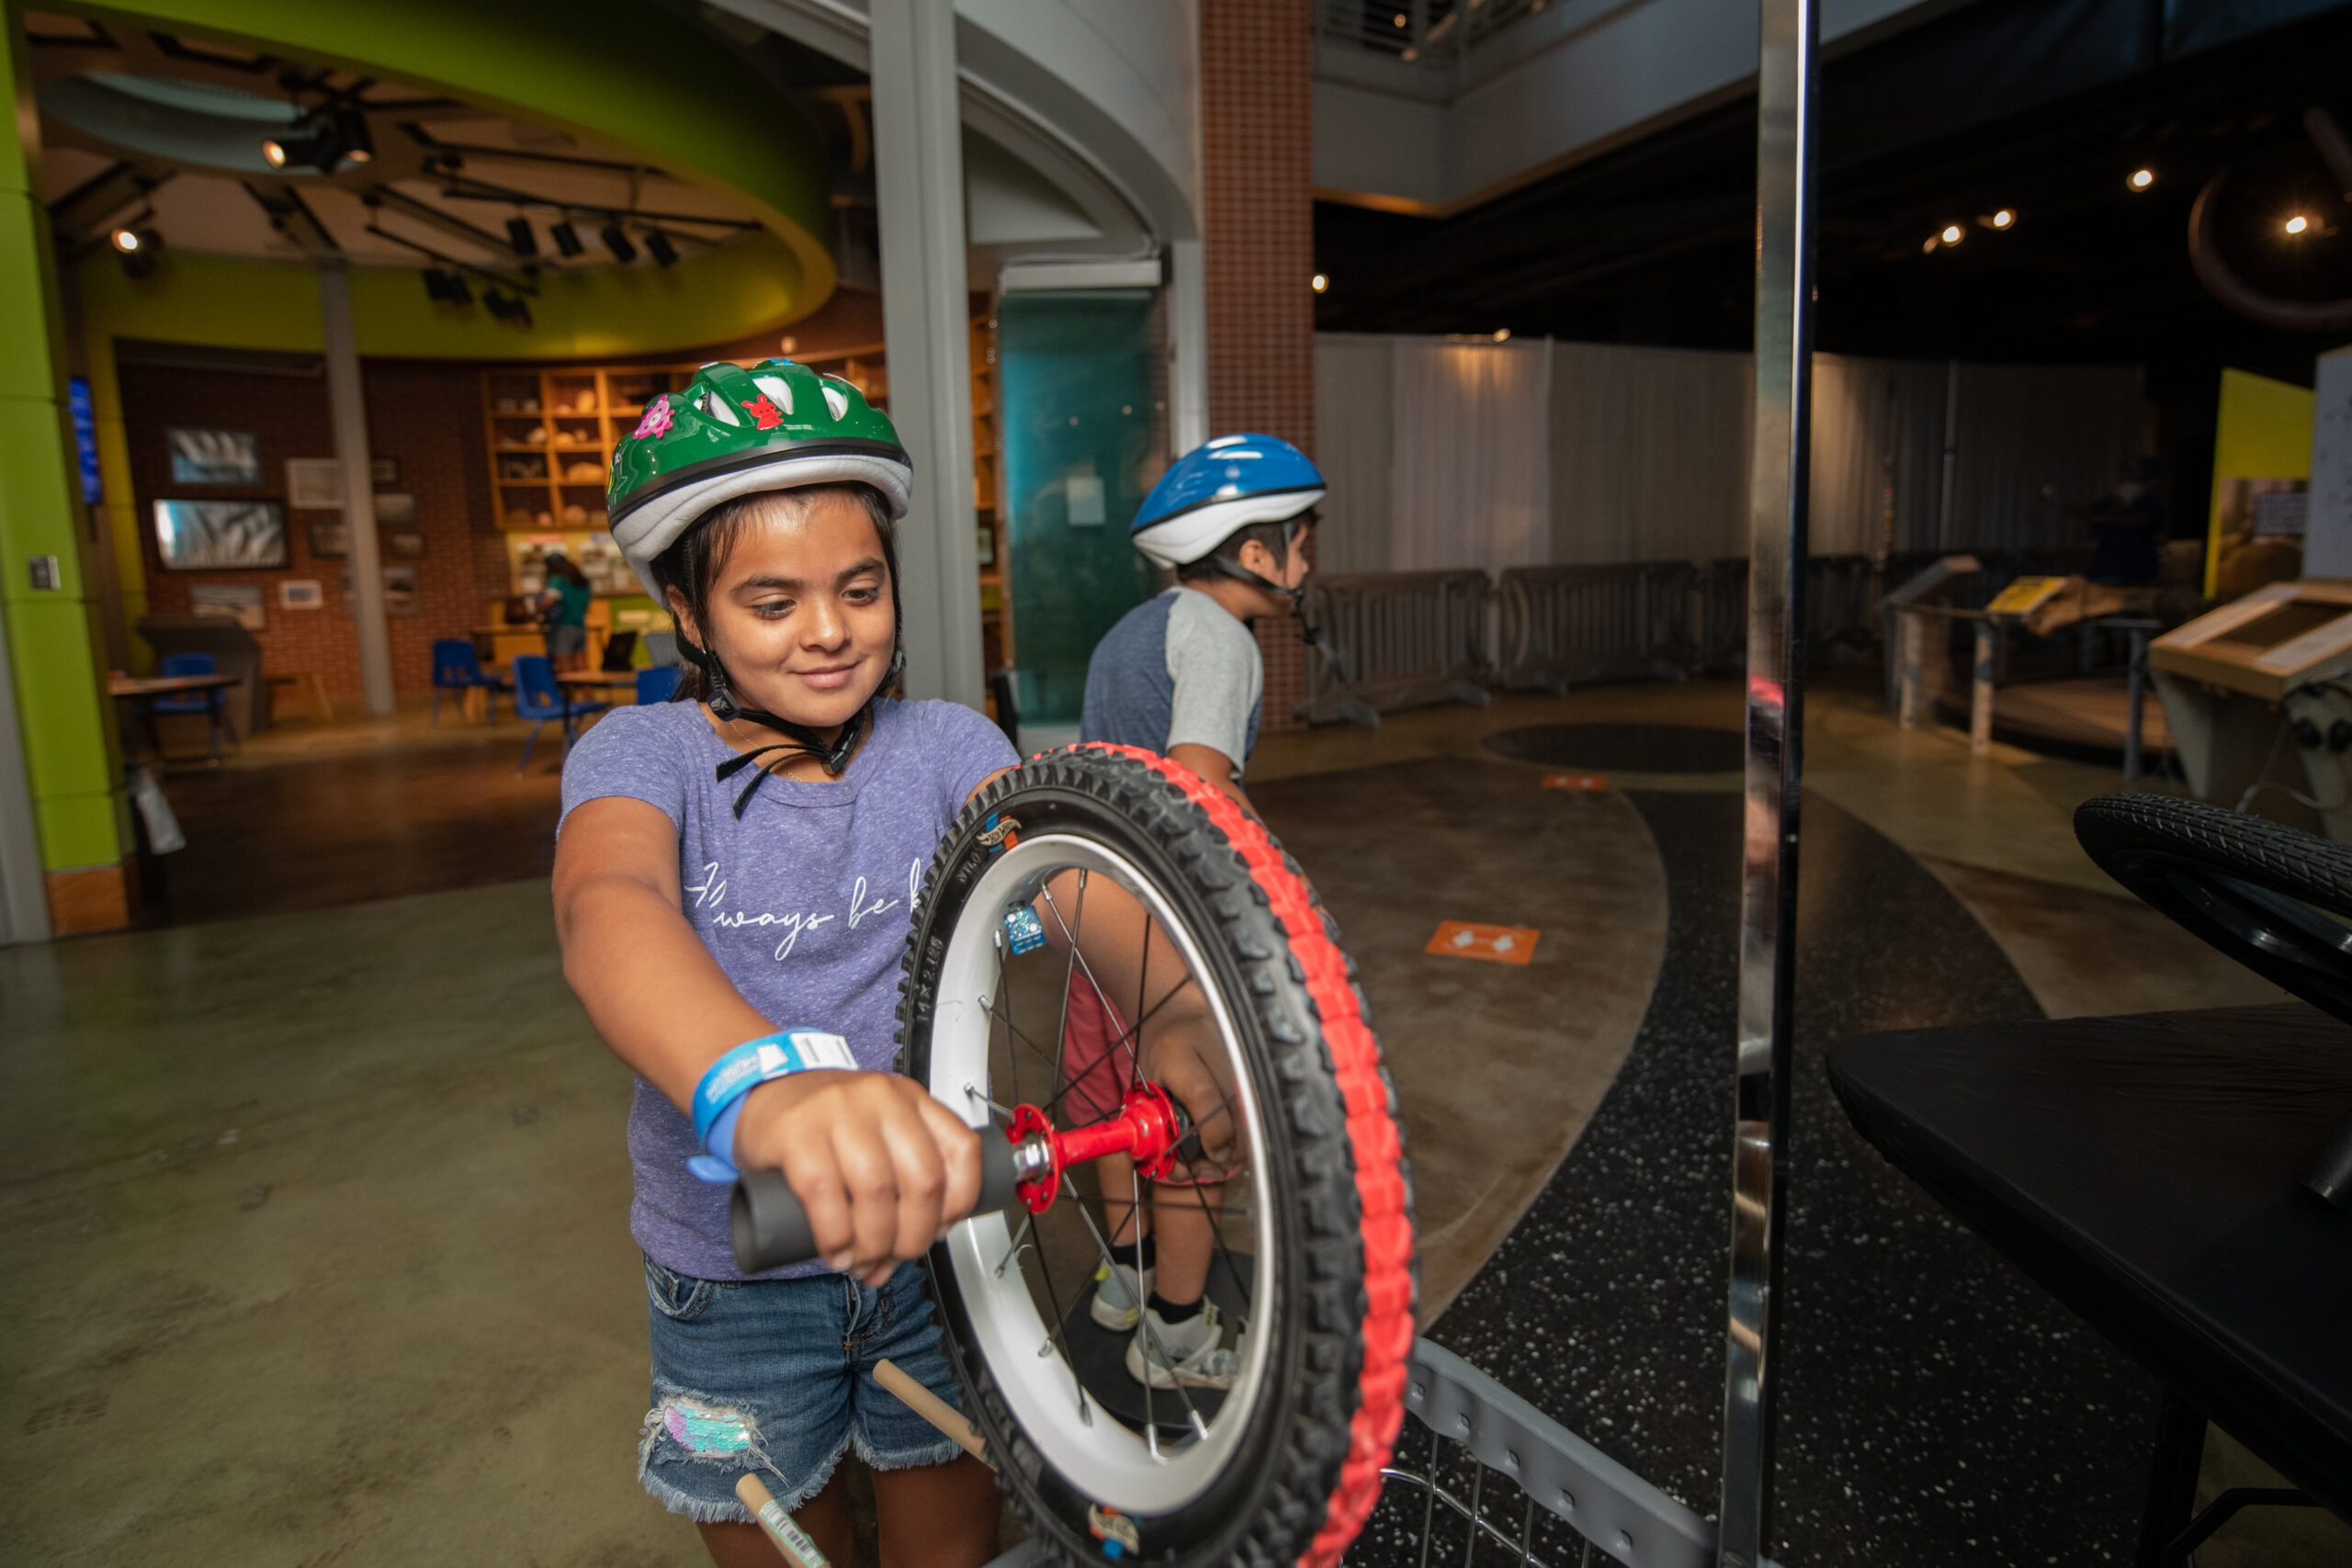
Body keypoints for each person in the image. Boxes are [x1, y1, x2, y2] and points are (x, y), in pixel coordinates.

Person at [552, 359, 1013, 1568]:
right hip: (731, 1270)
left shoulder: (951, 744)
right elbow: (609, 902)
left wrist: (1176, 1002)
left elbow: (1060, 877)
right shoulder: (638, 752)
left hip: (936, 1240)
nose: (828, 628)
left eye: (860, 587)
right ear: (690, 613)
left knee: (951, 1538)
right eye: (771, 600)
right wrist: (764, 1081)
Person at [1073, 433, 1321, 1390]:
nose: (1307, 556)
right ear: (1254, 553)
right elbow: (1202, 784)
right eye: (1300, 537)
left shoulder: (1133, 629)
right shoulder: (1219, 636)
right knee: (1190, 1123)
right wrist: (1284, 887)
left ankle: (1125, 1282)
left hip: (1096, 908)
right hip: (1169, 923)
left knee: (1107, 1102)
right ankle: (1174, 1336)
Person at [2081, 456, 2165, 586]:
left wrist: (2108, 519)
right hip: (2103, 572)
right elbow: (2092, 526)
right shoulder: (2108, 503)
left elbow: (2144, 522)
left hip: (2138, 573)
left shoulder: (2151, 501)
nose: (2128, 479)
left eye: (2136, 476)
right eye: (2126, 474)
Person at [538, 550, 594, 671]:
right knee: (581, 661)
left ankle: (571, 689)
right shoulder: (580, 580)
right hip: (580, 625)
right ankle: (588, 689)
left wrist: (538, 610)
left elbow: (549, 601)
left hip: (563, 626)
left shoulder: (558, 580)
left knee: (564, 662)